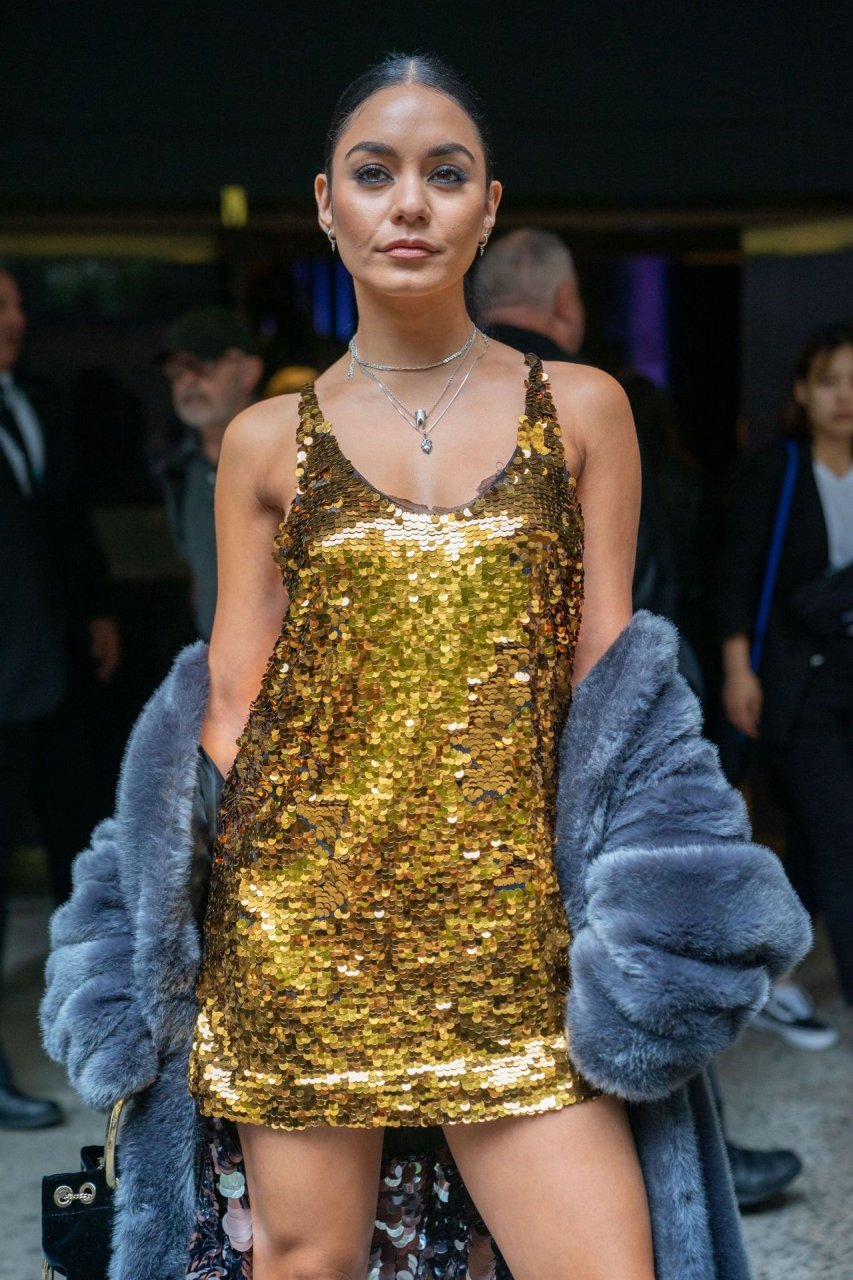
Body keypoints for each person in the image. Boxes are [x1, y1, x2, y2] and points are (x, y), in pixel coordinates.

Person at [41, 57, 810, 1280]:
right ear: (327, 203)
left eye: (444, 174)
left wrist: (651, 907)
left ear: (487, 206)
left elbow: (611, 692)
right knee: (308, 1261)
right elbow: (231, 701)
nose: (409, 201)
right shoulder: (263, 441)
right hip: (298, 930)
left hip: (514, 936)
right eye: (374, 172)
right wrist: (160, 935)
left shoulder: (584, 409)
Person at [477, 227, 805, 1208]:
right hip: (594, 721)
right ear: (565, 304)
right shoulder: (592, 398)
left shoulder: (426, 407)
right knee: (641, 942)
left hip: (467, 741)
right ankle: (684, 1170)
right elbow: (636, 583)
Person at [0, 267, 119, 1129]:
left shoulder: (36, 400)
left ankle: (103, 1035)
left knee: (86, 862)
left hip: (57, 673)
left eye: (15, 303)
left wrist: (98, 608)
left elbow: (65, 522)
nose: (16, 318)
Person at [720, 321, 853, 1029]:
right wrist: (737, 671)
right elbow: (739, 576)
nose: (844, 396)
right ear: (802, 391)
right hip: (798, 684)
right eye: (829, 381)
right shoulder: (778, 470)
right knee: (840, 833)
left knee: (813, 837)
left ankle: (766, 973)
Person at [158, 307, 264, 640]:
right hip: (216, 657)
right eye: (178, 367)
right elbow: (200, 576)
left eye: (204, 363)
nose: (188, 380)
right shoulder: (179, 468)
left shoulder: (295, 455)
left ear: (249, 371)